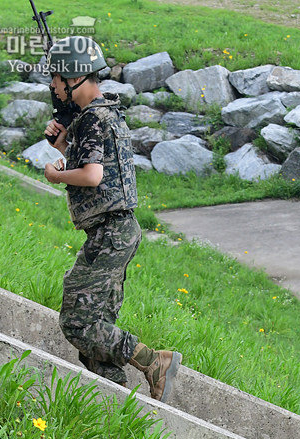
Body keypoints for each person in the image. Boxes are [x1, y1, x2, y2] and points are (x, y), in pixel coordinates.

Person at [42, 36, 182, 400]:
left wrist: (56, 174)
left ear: (73, 77)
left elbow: (92, 176)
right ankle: (115, 401)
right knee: (95, 328)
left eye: (56, 77)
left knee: (77, 322)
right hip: (117, 230)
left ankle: (154, 361)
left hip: (111, 233)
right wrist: (63, 149)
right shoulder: (104, 113)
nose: (53, 86)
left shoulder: (91, 119)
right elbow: (98, 167)